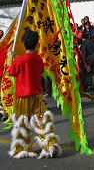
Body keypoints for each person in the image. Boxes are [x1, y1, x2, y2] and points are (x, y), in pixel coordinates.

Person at [7, 29, 62, 158]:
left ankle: (22, 148)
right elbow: (41, 72)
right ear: (36, 44)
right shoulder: (38, 59)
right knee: (42, 121)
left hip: (22, 96)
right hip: (37, 95)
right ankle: (50, 144)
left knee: (22, 122)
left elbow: (10, 73)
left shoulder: (19, 60)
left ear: (24, 44)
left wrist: (10, 58)